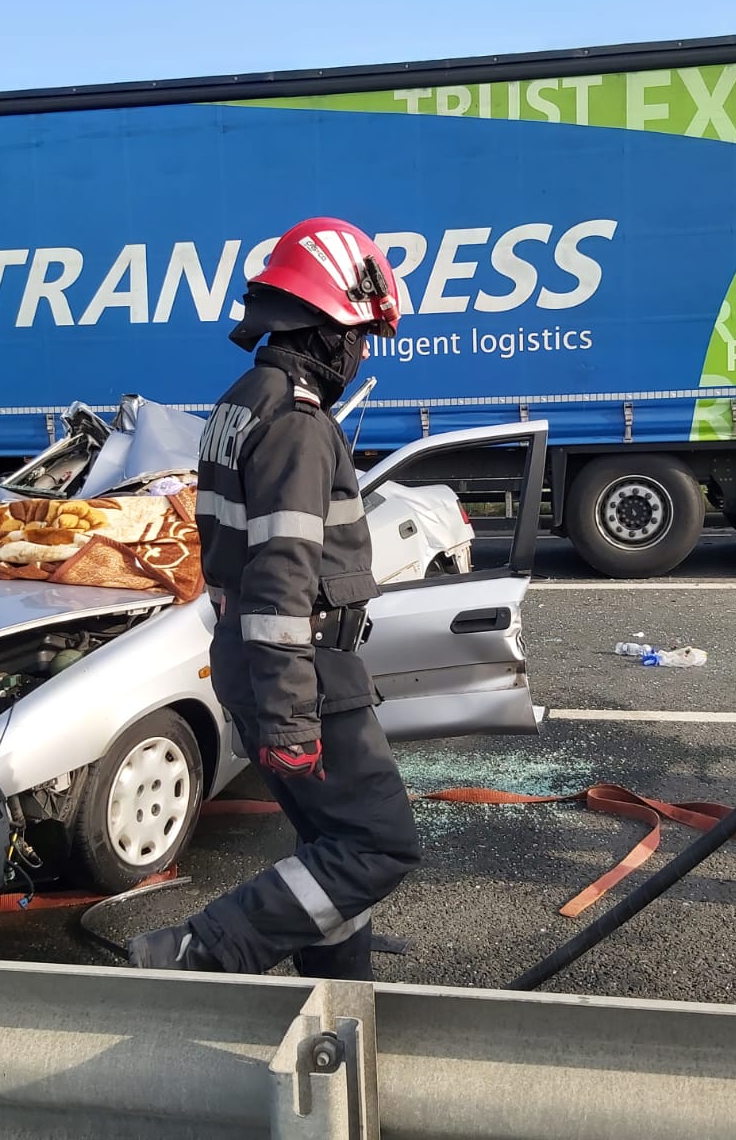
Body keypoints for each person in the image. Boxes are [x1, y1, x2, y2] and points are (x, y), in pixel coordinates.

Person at [125, 217, 420, 978]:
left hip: (256, 664)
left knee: (328, 845)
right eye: (358, 336)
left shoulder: (243, 402)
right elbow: (282, 579)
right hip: (304, 674)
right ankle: (201, 951)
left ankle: (340, 997)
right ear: (324, 327)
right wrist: (292, 719)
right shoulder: (297, 423)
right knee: (376, 845)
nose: (360, 354)